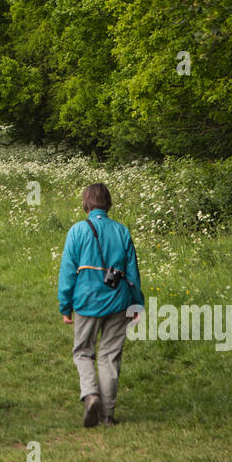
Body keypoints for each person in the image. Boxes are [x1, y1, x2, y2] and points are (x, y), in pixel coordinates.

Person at [58, 182, 144, 427]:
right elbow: (133, 274)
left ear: (86, 203)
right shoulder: (122, 231)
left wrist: (65, 306)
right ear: (108, 203)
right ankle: (107, 415)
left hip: (86, 301)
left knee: (83, 351)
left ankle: (91, 394)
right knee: (109, 356)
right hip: (119, 302)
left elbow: (67, 273)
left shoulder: (76, 231)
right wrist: (137, 303)